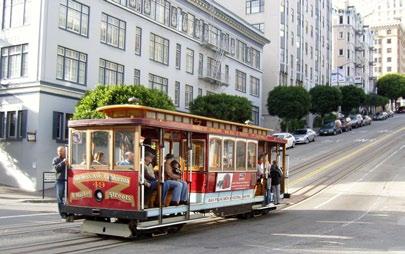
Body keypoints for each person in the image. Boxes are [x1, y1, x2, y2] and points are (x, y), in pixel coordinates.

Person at [52, 146, 68, 218]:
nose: (60, 152)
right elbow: (56, 169)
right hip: (60, 181)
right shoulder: (56, 159)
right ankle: (62, 213)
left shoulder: (68, 159)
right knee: (60, 197)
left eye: (62, 151)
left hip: (68, 180)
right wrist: (63, 162)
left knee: (68, 197)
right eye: (59, 151)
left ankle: (69, 211)